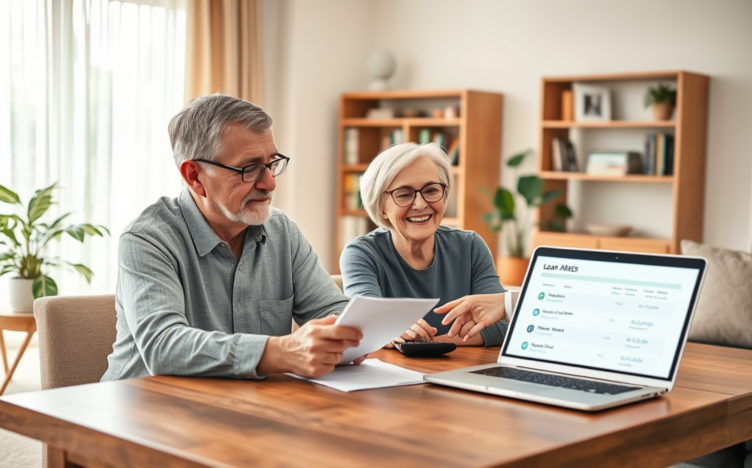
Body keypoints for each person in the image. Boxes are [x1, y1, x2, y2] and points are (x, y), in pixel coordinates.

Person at [102, 94, 364, 382]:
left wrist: (349, 335)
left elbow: (330, 310)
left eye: (271, 163)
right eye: (249, 168)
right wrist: (282, 351)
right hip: (146, 413)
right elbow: (164, 347)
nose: (270, 183)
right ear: (195, 177)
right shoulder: (147, 239)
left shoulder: (282, 232)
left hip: (242, 408)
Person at [340, 142, 515, 346]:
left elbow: (501, 324)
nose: (421, 204)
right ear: (381, 208)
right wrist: (386, 332)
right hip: (392, 373)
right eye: (404, 194)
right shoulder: (361, 253)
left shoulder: (470, 246)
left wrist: (424, 344)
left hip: (459, 371)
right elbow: (367, 327)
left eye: (431, 190)